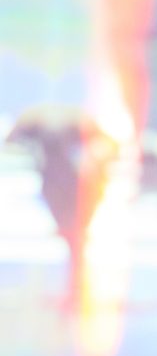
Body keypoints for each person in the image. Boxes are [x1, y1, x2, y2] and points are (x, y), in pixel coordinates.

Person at [6, 104, 118, 311]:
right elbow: (11, 141)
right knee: (75, 242)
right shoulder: (43, 123)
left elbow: (109, 146)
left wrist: (93, 162)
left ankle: (78, 293)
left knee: (76, 242)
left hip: (73, 189)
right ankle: (77, 292)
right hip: (62, 187)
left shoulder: (67, 124)